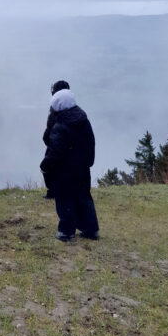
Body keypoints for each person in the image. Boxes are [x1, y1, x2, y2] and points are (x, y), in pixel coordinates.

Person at [40, 88, 99, 242]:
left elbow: (55, 151)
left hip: (64, 172)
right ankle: (90, 229)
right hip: (83, 169)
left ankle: (66, 232)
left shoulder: (60, 126)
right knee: (84, 198)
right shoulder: (83, 121)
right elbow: (90, 143)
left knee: (65, 200)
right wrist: (88, 162)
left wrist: (45, 165)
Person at [42, 80, 71, 199]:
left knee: (48, 167)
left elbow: (48, 132)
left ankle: (53, 191)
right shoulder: (74, 109)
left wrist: (48, 141)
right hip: (69, 147)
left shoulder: (55, 112)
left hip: (55, 145)